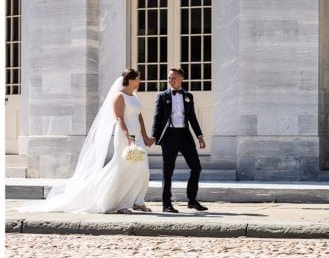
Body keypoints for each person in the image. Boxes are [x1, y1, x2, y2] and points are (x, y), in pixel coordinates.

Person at [22, 69, 154, 214]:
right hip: (124, 137)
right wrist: (128, 138)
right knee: (122, 169)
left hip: (138, 137)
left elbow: (139, 117)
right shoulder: (119, 97)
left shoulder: (134, 96)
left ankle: (138, 201)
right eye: (138, 78)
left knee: (142, 169)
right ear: (130, 79)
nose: (140, 81)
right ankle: (120, 204)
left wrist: (145, 136)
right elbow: (119, 119)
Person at [152, 68, 207, 212]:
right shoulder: (162, 96)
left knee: (196, 167)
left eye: (174, 78)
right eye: (169, 78)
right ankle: (166, 204)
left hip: (185, 136)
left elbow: (192, 117)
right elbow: (157, 118)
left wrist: (199, 136)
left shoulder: (188, 95)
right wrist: (154, 136)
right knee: (168, 171)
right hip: (169, 136)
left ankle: (192, 200)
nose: (171, 80)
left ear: (181, 78)